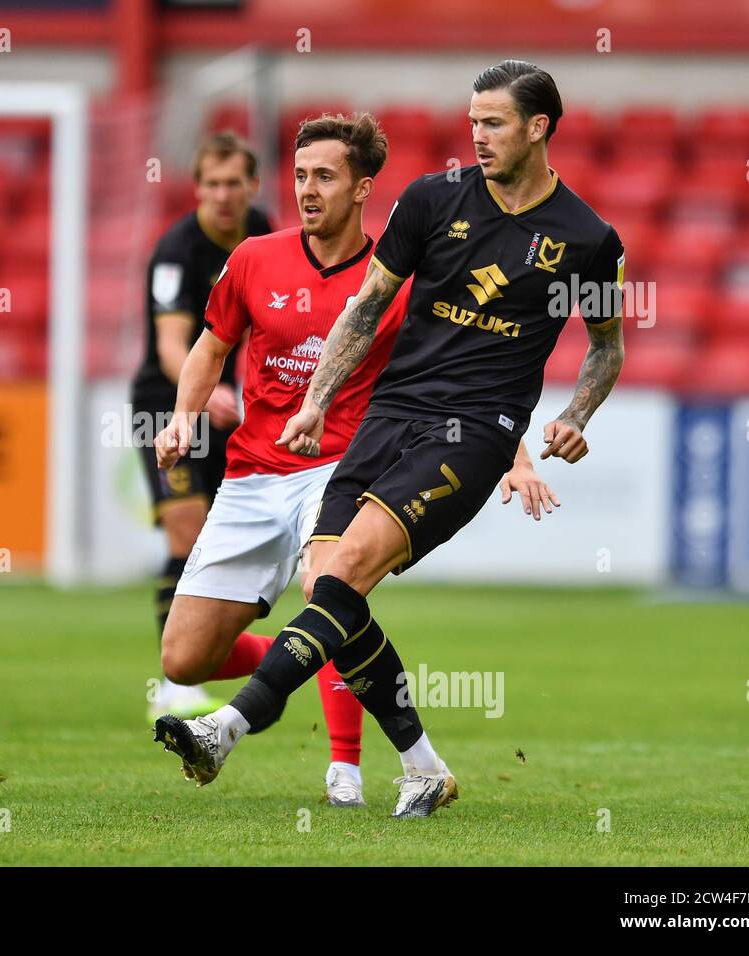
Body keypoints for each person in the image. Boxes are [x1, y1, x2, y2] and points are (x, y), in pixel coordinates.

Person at [155, 60, 626, 818]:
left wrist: (575, 416)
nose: (477, 136)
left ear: (539, 128)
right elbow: (367, 309)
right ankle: (424, 766)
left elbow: (606, 346)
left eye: (494, 123)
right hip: (387, 416)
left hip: (475, 431)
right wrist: (317, 401)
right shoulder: (432, 201)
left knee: (345, 572)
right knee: (328, 589)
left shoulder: (588, 240)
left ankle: (227, 726)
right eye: (472, 121)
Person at [129, 131, 271, 721]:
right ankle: (175, 680)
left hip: (235, 409)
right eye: (211, 184)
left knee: (224, 542)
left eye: (233, 183)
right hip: (168, 409)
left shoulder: (265, 234)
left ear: (252, 186)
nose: (223, 196)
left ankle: (238, 654)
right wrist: (203, 395)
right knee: (185, 536)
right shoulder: (176, 252)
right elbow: (170, 346)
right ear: (197, 188)